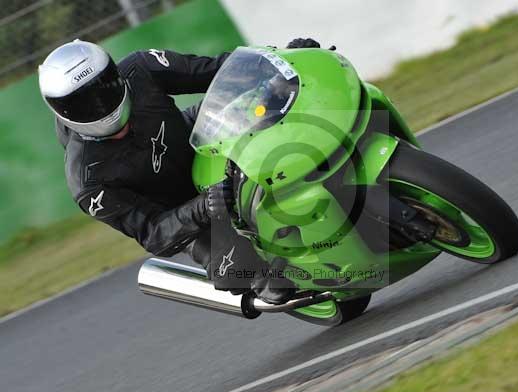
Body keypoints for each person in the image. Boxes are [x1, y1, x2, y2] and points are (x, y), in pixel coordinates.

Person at [38, 37, 321, 304]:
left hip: (196, 137)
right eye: (84, 103)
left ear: (115, 72)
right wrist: (202, 208)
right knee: (239, 272)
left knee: (271, 92)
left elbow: (219, 70)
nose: (101, 103)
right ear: (62, 111)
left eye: (106, 86)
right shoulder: (87, 181)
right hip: (184, 209)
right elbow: (153, 233)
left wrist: (282, 60)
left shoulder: (141, 67)